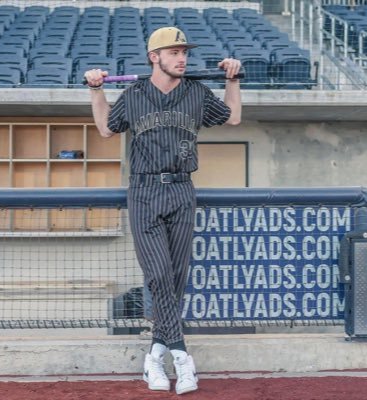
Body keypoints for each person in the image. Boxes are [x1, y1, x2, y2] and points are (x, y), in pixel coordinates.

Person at [85, 26, 242, 395]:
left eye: (184, 52)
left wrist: (233, 79)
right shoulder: (135, 94)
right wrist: (96, 89)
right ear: (154, 57)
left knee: (175, 280)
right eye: (173, 52)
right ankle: (183, 359)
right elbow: (107, 128)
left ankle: (154, 357)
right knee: (158, 277)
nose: (182, 57)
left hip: (183, 190)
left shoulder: (198, 93)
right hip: (144, 190)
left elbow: (232, 117)